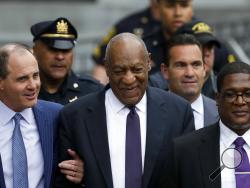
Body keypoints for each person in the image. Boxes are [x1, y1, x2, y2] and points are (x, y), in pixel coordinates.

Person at [55, 33, 194, 188]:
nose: (129, 79)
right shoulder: (75, 116)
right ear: (106, 67)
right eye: (119, 71)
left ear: (148, 62)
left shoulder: (179, 112)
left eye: (137, 69)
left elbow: (188, 176)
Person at [0, 43, 83, 188]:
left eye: (35, 76)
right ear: (1, 82)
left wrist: (81, 171)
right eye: (22, 79)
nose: (33, 85)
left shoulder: (56, 116)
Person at [172, 62, 250, 188]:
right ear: (218, 99)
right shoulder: (184, 150)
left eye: (248, 94)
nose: (240, 101)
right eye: (230, 94)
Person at [31, 17, 103, 105]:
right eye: (53, 50)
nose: (60, 57)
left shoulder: (93, 92)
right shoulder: (24, 92)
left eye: (66, 50)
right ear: (35, 51)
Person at [91, 0, 161, 85]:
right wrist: (102, 93)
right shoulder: (128, 25)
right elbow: (101, 65)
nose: (177, 13)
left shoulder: (177, 25)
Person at [161, 34, 219, 130]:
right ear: (165, 71)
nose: (190, 73)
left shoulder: (222, 114)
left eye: (196, 64)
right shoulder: (150, 113)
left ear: (204, 69)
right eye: (181, 65)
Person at [175, 20, 221, 99]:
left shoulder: (224, 86)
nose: (207, 53)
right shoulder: (158, 84)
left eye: (210, 47)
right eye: (200, 46)